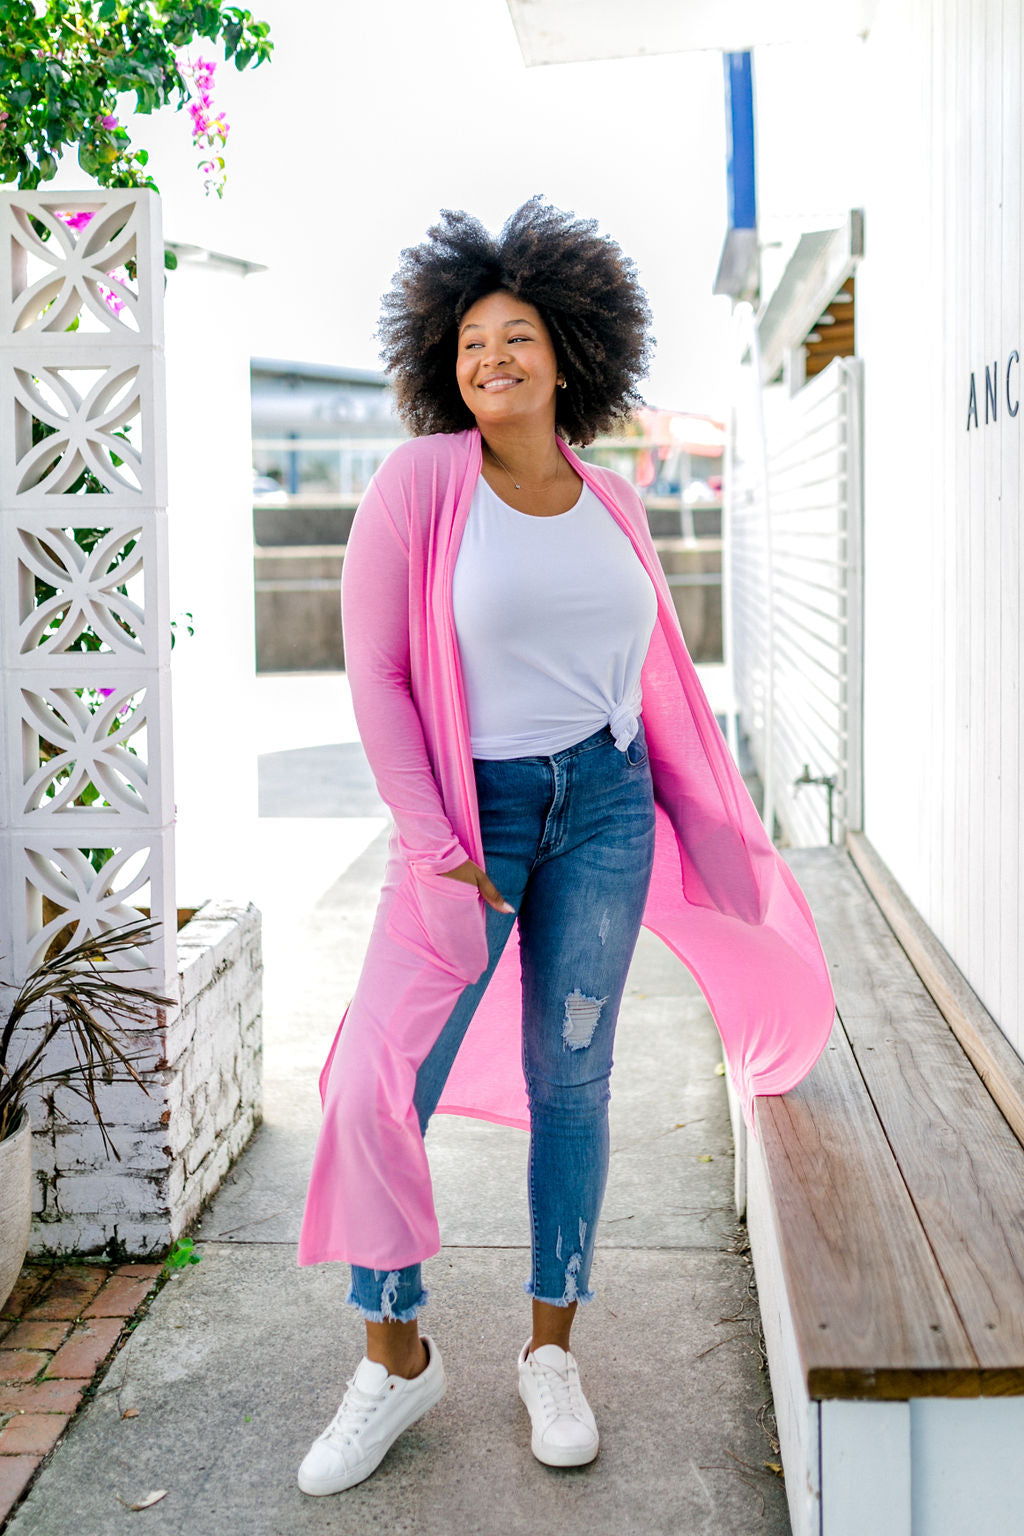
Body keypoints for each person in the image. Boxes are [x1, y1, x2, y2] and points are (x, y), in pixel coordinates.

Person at [296, 198, 835, 1497]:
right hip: (468, 826)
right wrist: (433, 842)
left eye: (518, 335)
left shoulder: (613, 499)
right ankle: (394, 1350)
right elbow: (373, 674)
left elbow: (651, 681)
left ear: (568, 353)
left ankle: (552, 1350)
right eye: (472, 340)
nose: (493, 358)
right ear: (444, 359)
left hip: (600, 812)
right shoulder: (420, 484)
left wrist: (711, 837)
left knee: (575, 1081)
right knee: (381, 1079)